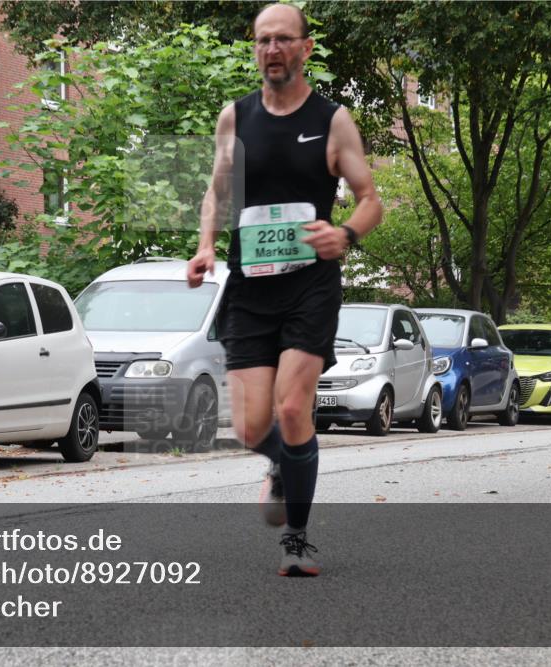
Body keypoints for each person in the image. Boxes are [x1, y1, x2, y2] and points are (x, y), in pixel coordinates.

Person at [187, 3, 383, 576]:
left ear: (305, 48)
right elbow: (218, 193)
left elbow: (371, 199)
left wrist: (344, 233)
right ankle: (282, 465)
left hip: (309, 289)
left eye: (283, 40)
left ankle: (297, 540)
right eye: (262, 41)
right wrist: (205, 246)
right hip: (249, 289)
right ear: (255, 49)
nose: (272, 49)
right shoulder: (236, 117)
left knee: (294, 407)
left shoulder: (332, 120)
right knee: (251, 428)